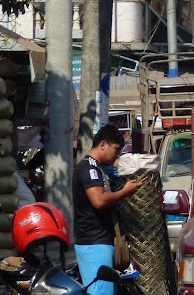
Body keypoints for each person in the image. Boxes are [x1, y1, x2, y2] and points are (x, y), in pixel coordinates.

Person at [73, 124, 146, 295]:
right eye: (116, 150)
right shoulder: (88, 168)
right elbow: (98, 200)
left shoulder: (98, 168)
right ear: (103, 144)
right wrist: (124, 192)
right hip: (93, 243)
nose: (116, 156)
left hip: (101, 242)